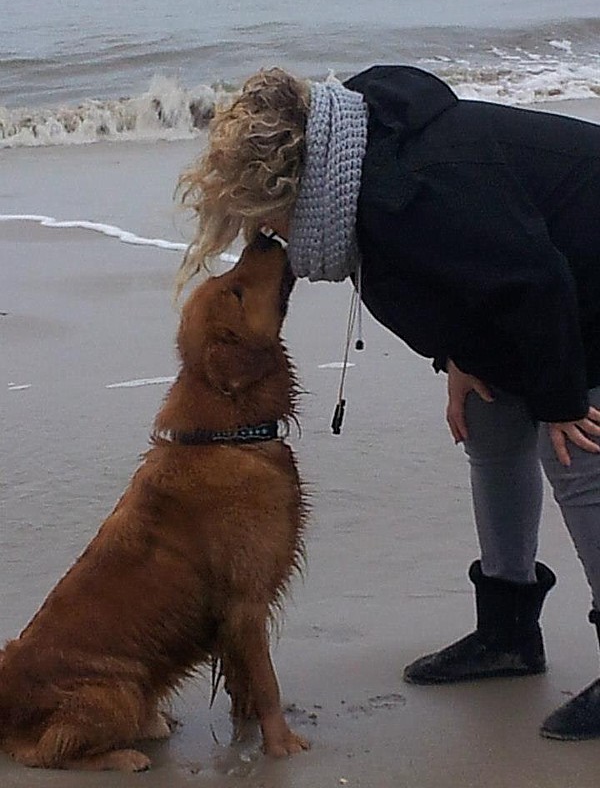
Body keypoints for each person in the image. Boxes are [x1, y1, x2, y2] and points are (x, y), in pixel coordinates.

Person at [176, 64, 600, 741]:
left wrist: (561, 400)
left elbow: (533, 277)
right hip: (546, 271)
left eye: (263, 220)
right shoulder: (362, 161)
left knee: (577, 457)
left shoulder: (410, 191)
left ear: (290, 188)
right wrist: (459, 359)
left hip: (581, 270)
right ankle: (509, 634)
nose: (269, 236)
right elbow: (471, 275)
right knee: (490, 423)